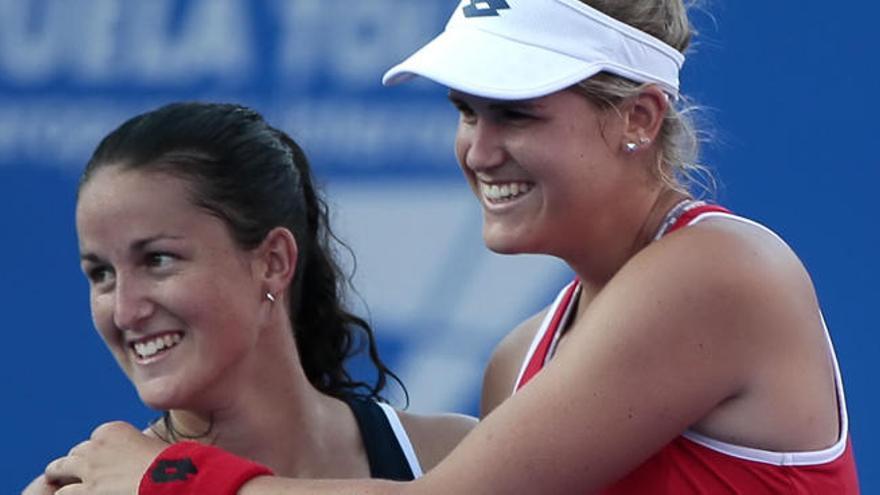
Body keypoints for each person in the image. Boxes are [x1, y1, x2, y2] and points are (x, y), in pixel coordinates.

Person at [37, 0, 860, 493]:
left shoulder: (718, 272)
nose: (479, 148)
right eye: (468, 111)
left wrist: (164, 479)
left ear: (639, 119)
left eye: (516, 113)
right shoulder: (516, 362)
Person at [24, 102, 476, 494]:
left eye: (159, 259)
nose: (125, 311)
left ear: (274, 261)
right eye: (101, 273)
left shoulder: (449, 457)